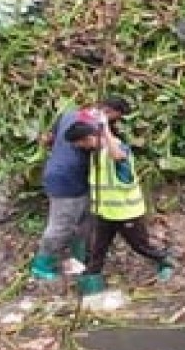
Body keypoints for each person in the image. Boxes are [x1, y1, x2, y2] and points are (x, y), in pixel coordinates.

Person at [63, 120, 174, 296]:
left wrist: (104, 128)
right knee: (97, 248)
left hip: (126, 213)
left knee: (140, 245)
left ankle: (165, 261)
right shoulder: (96, 154)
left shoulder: (116, 150)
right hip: (105, 213)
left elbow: (118, 156)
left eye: (81, 143)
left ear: (90, 138)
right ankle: (91, 277)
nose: (80, 147)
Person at [28, 96, 133, 281]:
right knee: (62, 225)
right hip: (67, 179)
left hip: (67, 175)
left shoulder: (69, 114)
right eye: (114, 118)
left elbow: (48, 139)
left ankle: (79, 258)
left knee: (84, 220)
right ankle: (41, 265)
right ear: (108, 112)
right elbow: (113, 152)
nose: (114, 122)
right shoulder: (95, 127)